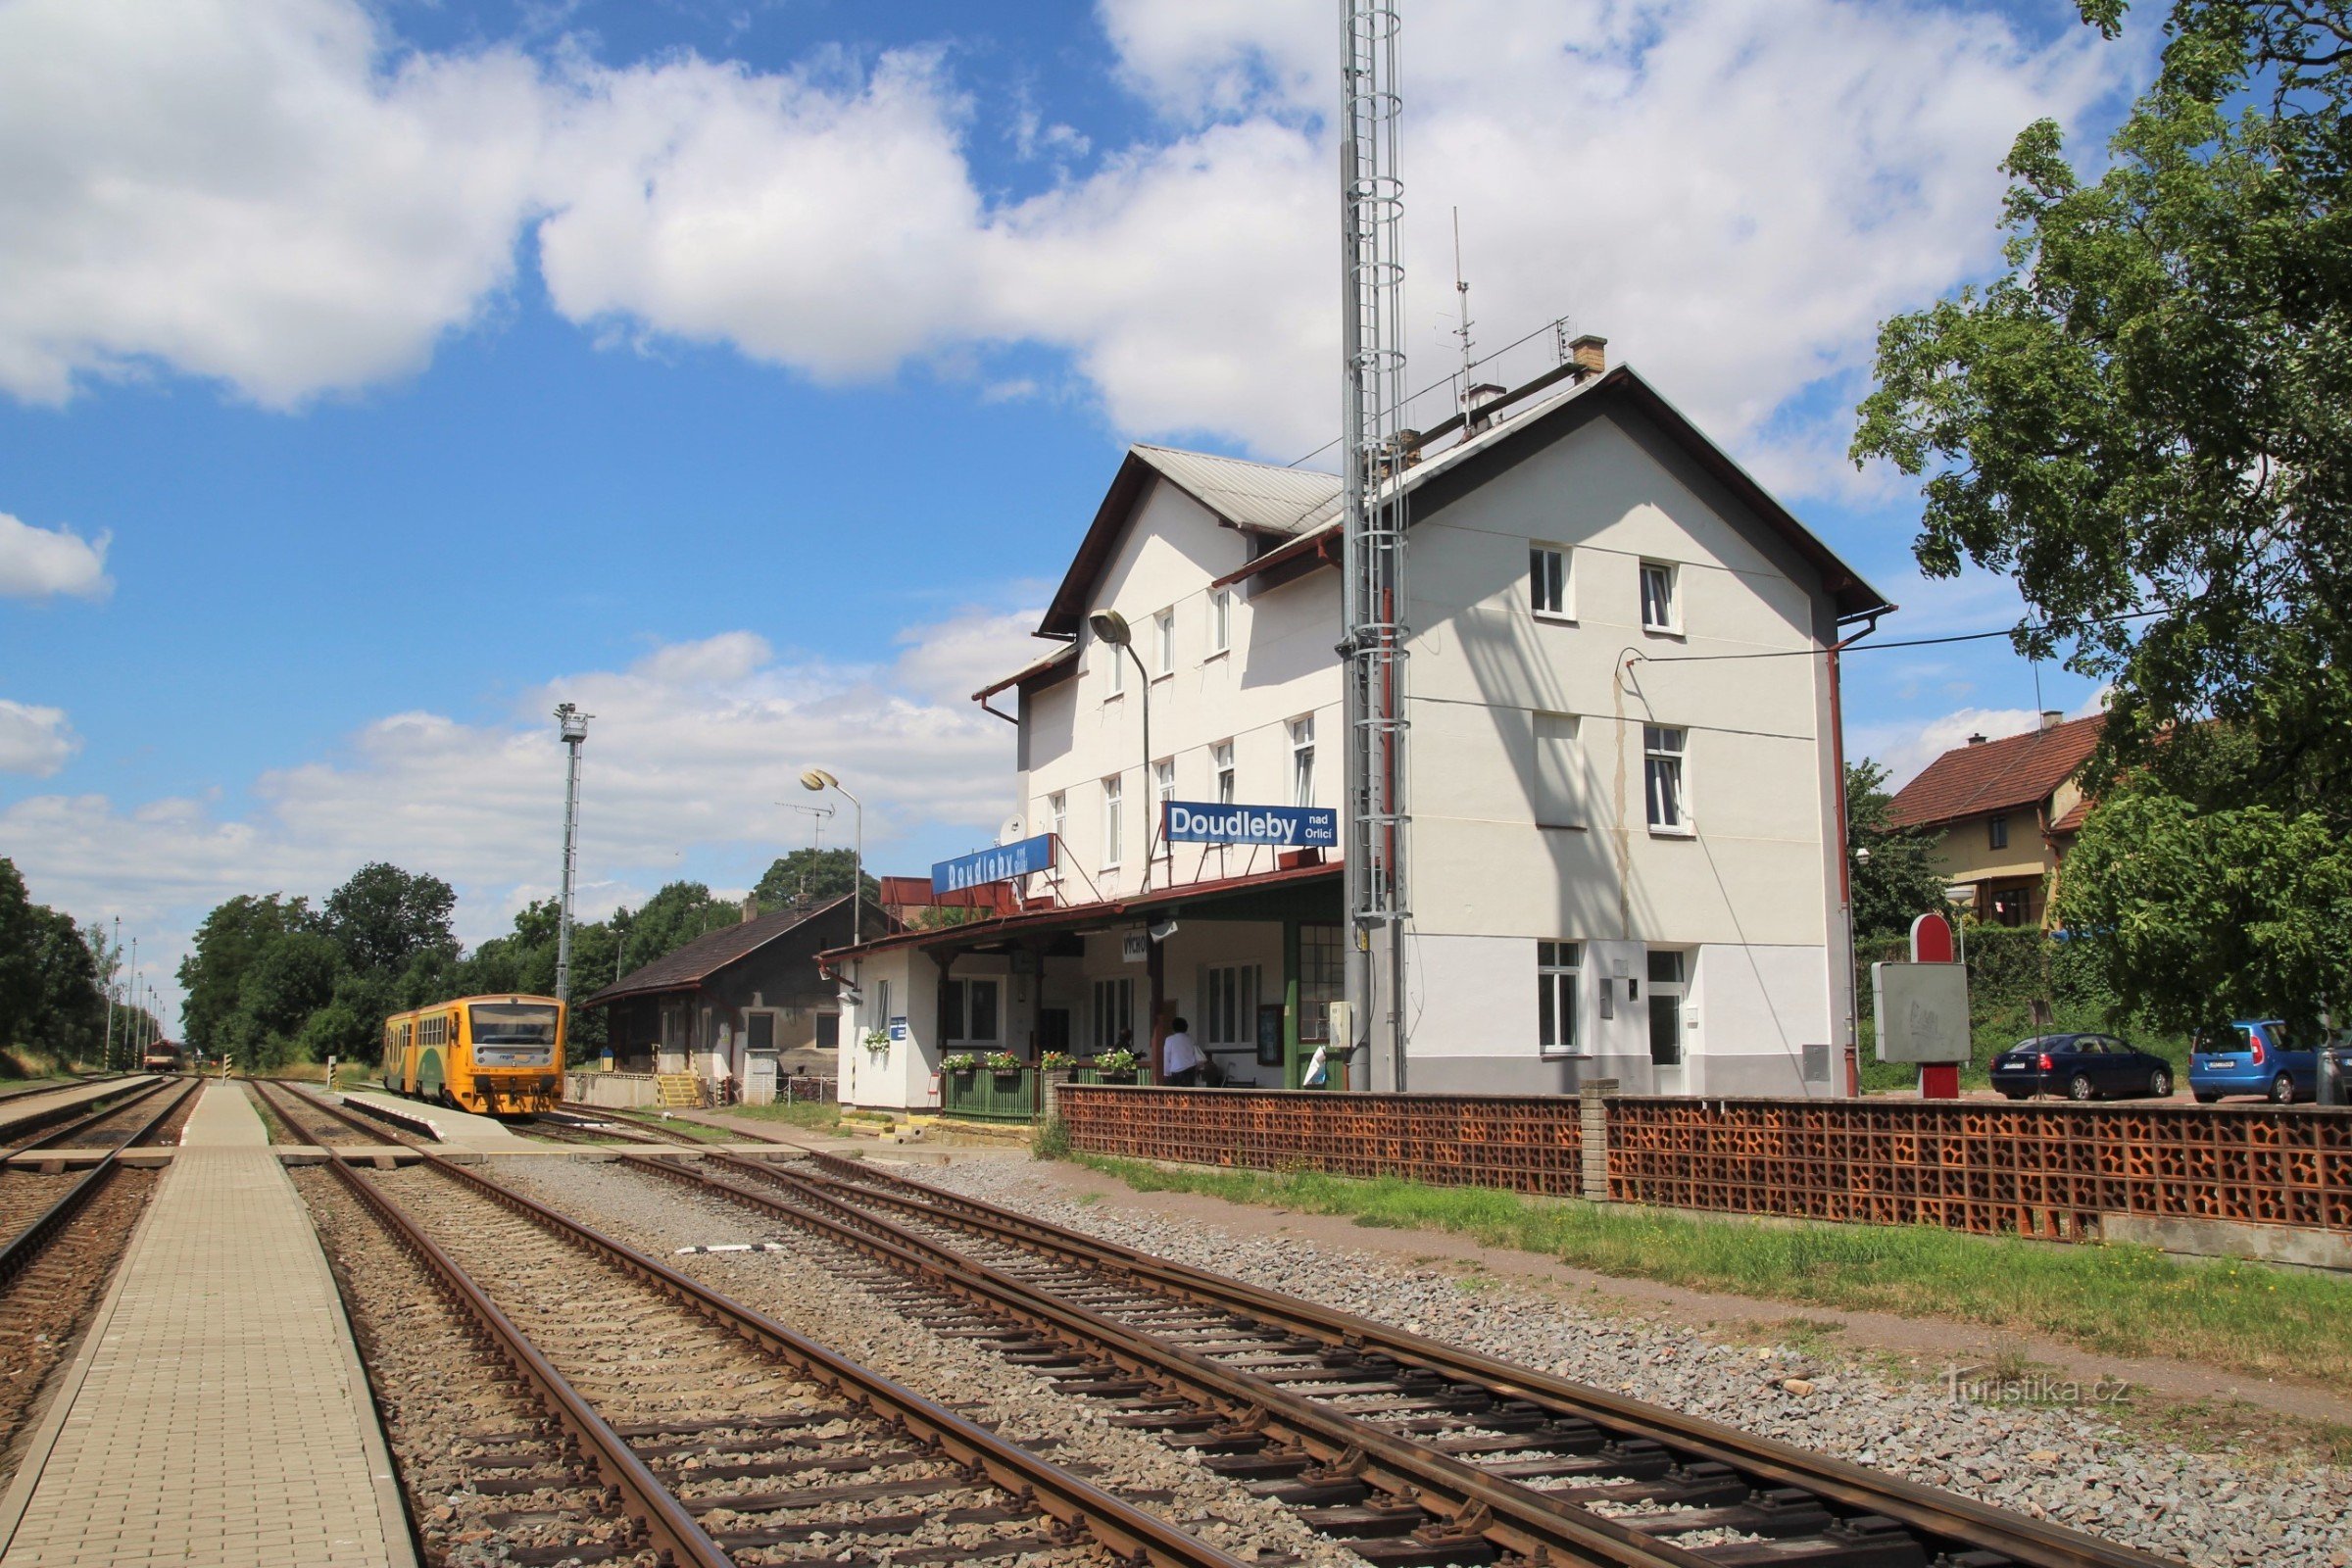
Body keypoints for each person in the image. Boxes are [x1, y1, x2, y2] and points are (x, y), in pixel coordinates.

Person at [1162, 1016, 1202, 1086]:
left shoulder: (1169, 1040)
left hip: (1176, 1071)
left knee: (1177, 1094)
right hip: (1190, 1070)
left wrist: (1166, 1073)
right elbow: (1197, 1055)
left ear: (1173, 1028)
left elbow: (1167, 1058)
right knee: (1189, 1094)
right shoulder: (1191, 1039)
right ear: (1186, 1027)